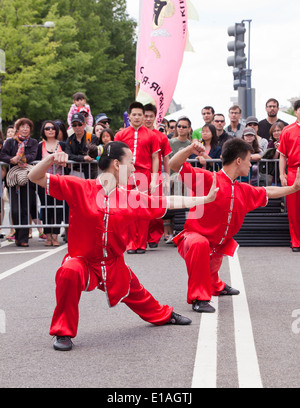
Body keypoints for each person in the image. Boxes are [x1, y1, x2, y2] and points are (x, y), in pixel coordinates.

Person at [28, 141, 219, 351]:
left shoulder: (131, 197)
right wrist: (51, 158)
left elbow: (167, 201)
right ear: (117, 165)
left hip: (113, 264)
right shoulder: (80, 188)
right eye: (132, 163)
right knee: (69, 271)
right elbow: (34, 176)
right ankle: (62, 332)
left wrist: (203, 199)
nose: (135, 169)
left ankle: (164, 315)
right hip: (83, 262)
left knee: (138, 294)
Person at [169, 138, 300, 313]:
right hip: (194, 240)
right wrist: (189, 149)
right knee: (200, 244)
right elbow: (173, 164)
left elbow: (267, 191)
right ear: (239, 160)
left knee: (213, 260)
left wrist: (293, 188)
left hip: (218, 243)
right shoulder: (208, 179)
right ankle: (198, 298)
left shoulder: (242, 189)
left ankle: (216, 285)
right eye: (248, 160)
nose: (250, 164)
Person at [114, 101, 161, 254]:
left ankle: (141, 243)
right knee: (127, 209)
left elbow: (155, 157)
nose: (137, 117)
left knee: (142, 210)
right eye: (134, 114)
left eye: (139, 114)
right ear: (129, 116)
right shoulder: (120, 134)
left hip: (144, 174)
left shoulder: (152, 135)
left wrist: (154, 179)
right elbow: (115, 157)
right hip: (125, 174)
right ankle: (129, 244)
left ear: (143, 116)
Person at [0, 118, 38, 247]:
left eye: (27, 126)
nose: (25, 129)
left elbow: (34, 155)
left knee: (25, 209)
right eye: (22, 126)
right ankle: (18, 234)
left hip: (27, 178)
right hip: (12, 179)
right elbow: (2, 155)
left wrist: (22, 159)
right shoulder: (10, 142)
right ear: (18, 128)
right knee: (15, 210)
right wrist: (12, 159)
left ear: (30, 129)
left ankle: (23, 239)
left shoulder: (33, 142)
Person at [143, 103, 172, 248]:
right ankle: (140, 238)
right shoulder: (136, 136)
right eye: (145, 116)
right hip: (139, 176)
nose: (148, 119)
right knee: (140, 207)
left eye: (151, 116)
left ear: (155, 118)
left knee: (155, 208)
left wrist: (167, 177)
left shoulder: (161, 137)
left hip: (157, 176)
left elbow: (166, 159)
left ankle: (153, 238)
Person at [36, 121, 66, 246]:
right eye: (47, 128)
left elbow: (67, 161)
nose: (50, 130)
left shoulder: (62, 145)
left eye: (53, 128)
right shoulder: (39, 146)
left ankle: (55, 236)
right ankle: (48, 236)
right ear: (43, 130)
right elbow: (36, 163)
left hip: (58, 181)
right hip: (43, 181)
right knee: (46, 208)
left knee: (58, 209)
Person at [278, 99, 300, 252]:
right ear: (295, 111)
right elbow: (282, 156)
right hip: (293, 171)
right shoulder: (287, 130)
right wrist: (282, 174)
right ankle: (296, 241)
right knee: (294, 209)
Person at [65, 113, 98, 179]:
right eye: (74, 125)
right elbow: (68, 155)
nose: (77, 127)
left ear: (84, 124)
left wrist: (76, 158)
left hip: (89, 173)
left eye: (79, 124)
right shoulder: (70, 139)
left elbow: (92, 155)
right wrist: (83, 158)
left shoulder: (92, 137)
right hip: (74, 172)